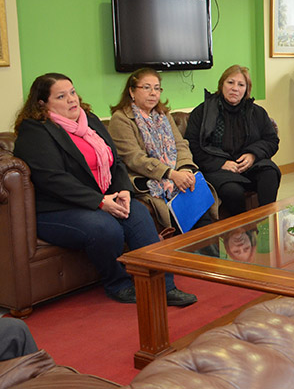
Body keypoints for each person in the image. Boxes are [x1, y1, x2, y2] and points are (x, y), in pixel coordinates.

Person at [13, 73, 197, 306]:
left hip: (100, 198)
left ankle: (164, 285)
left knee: (138, 214)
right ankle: (117, 284)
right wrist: (99, 201)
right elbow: (53, 179)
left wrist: (123, 191)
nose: (72, 99)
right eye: (61, 96)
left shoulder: (88, 119)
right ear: (42, 103)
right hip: (57, 209)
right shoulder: (35, 131)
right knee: (105, 227)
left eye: (72, 92)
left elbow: (116, 161)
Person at [108, 68, 218, 233]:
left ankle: (208, 255)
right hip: (148, 180)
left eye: (157, 88)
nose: (153, 93)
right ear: (131, 91)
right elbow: (135, 159)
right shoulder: (120, 119)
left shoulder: (162, 114)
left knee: (202, 217)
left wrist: (184, 170)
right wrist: (171, 174)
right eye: (146, 87)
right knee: (185, 214)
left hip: (176, 175)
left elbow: (180, 145)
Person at [184, 65, 281, 216]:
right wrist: (220, 163)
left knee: (270, 172)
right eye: (230, 83)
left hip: (250, 165)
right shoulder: (202, 112)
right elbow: (192, 145)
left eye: (241, 85)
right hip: (218, 169)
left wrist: (253, 155)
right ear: (221, 85)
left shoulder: (257, 112)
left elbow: (271, 140)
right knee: (232, 191)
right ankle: (242, 230)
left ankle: (266, 221)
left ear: (247, 90)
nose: (235, 88)